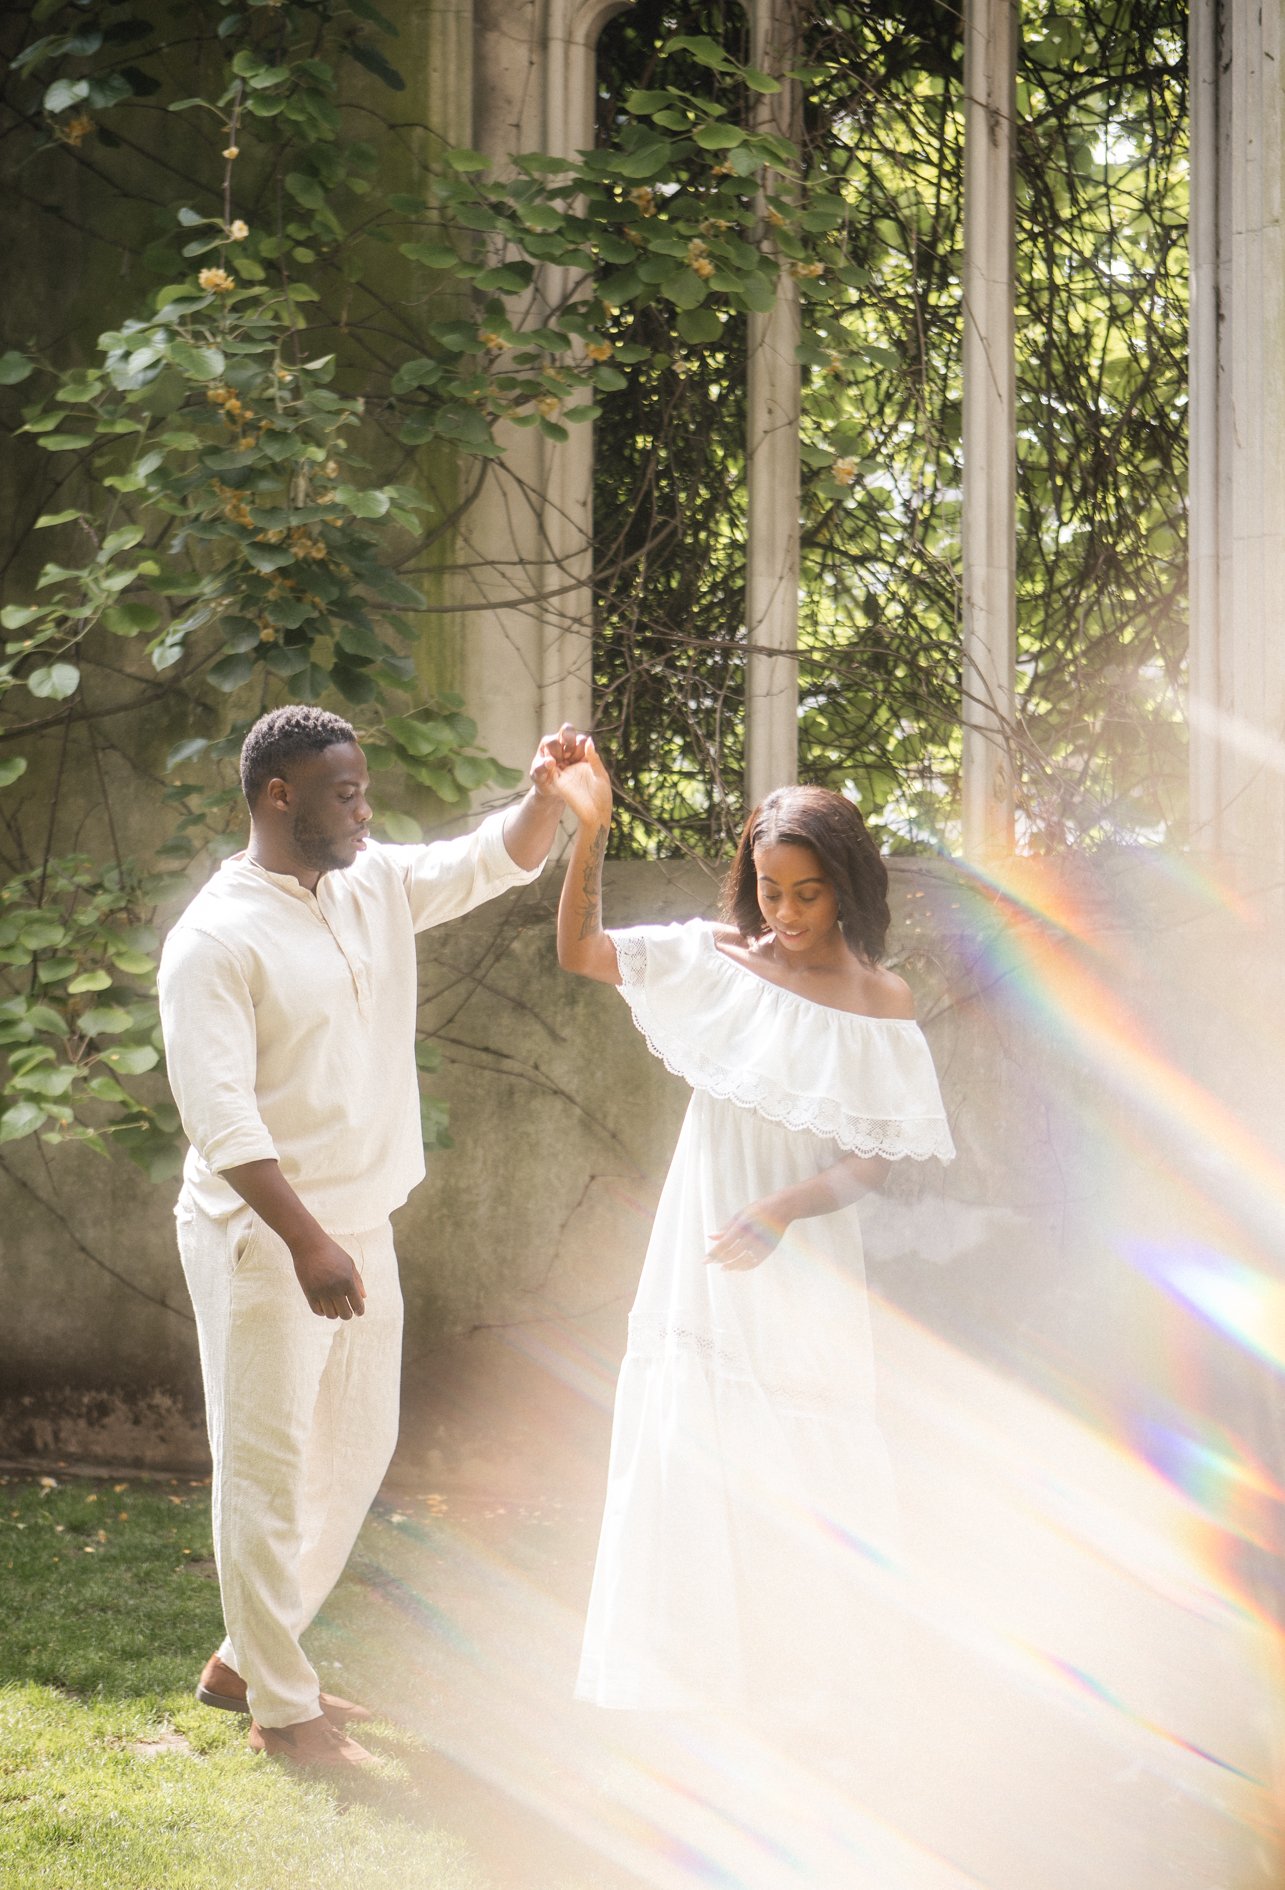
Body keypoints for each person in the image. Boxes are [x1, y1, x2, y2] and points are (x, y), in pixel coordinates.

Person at [158, 704, 583, 1770]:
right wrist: (305, 1243)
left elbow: (495, 860)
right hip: (265, 1236)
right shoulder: (214, 938)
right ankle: (281, 1711)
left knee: (353, 1454)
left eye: (361, 788)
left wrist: (546, 792)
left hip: (363, 1219)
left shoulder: (370, 881)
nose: (364, 809)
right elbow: (221, 1119)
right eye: (344, 793)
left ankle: (248, 1660)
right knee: (263, 1468)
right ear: (277, 797)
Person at [552, 741, 955, 1715]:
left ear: (847, 888)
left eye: (806, 894)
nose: (783, 913)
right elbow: (579, 950)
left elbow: (873, 1156)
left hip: (803, 1256)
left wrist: (782, 1210)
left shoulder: (879, 1001)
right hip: (705, 1253)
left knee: (807, 1462)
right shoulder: (717, 961)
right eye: (769, 890)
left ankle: (810, 1692)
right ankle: (689, 1684)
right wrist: (590, 832)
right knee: (697, 1441)